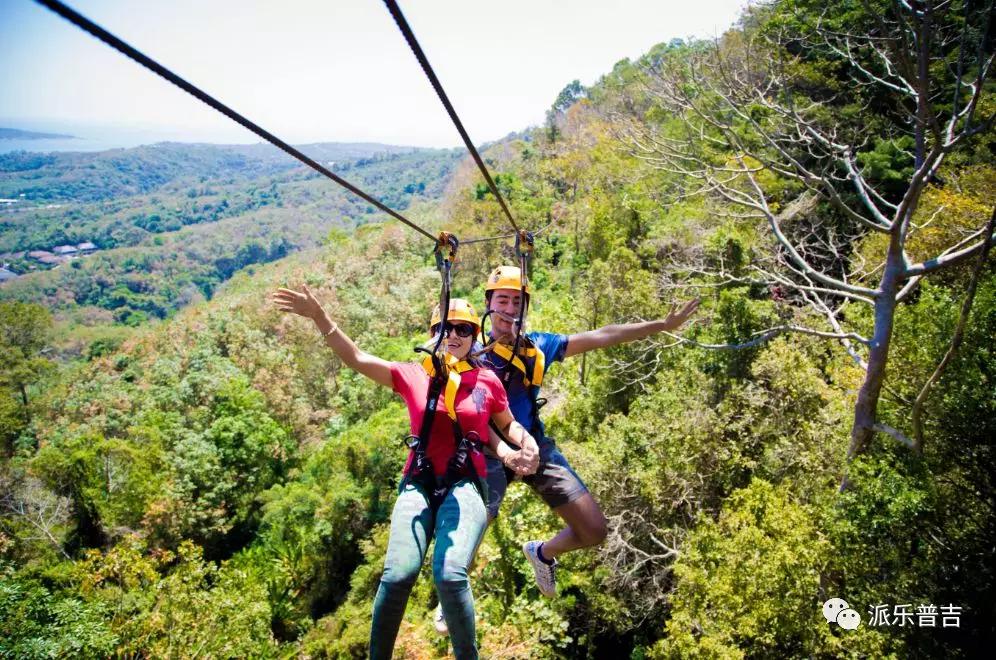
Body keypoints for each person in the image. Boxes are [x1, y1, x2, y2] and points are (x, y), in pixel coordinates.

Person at [272, 285, 538, 660]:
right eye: (444, 327)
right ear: (433, 334)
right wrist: (320, 317)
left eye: (463, 329)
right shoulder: (413, 375)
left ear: (474, 337)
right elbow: (357, 358)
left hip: (466, 482)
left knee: (450, 575)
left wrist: (526, 442)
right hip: (419, 481)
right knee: (397, 575)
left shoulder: (486, 381)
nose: (454, 335)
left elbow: (507, 423)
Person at [480, 265, 699, 598]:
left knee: (594, 530)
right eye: (502, 300)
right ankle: (450, 598)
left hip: (534, 445)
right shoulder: (471, 351)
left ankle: (542, 553)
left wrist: (661, 325)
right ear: (488, 303)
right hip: (488, 449)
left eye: (517, 302)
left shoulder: (537, 346)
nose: (509, 309)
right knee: (474, 528)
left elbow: (602, 335)